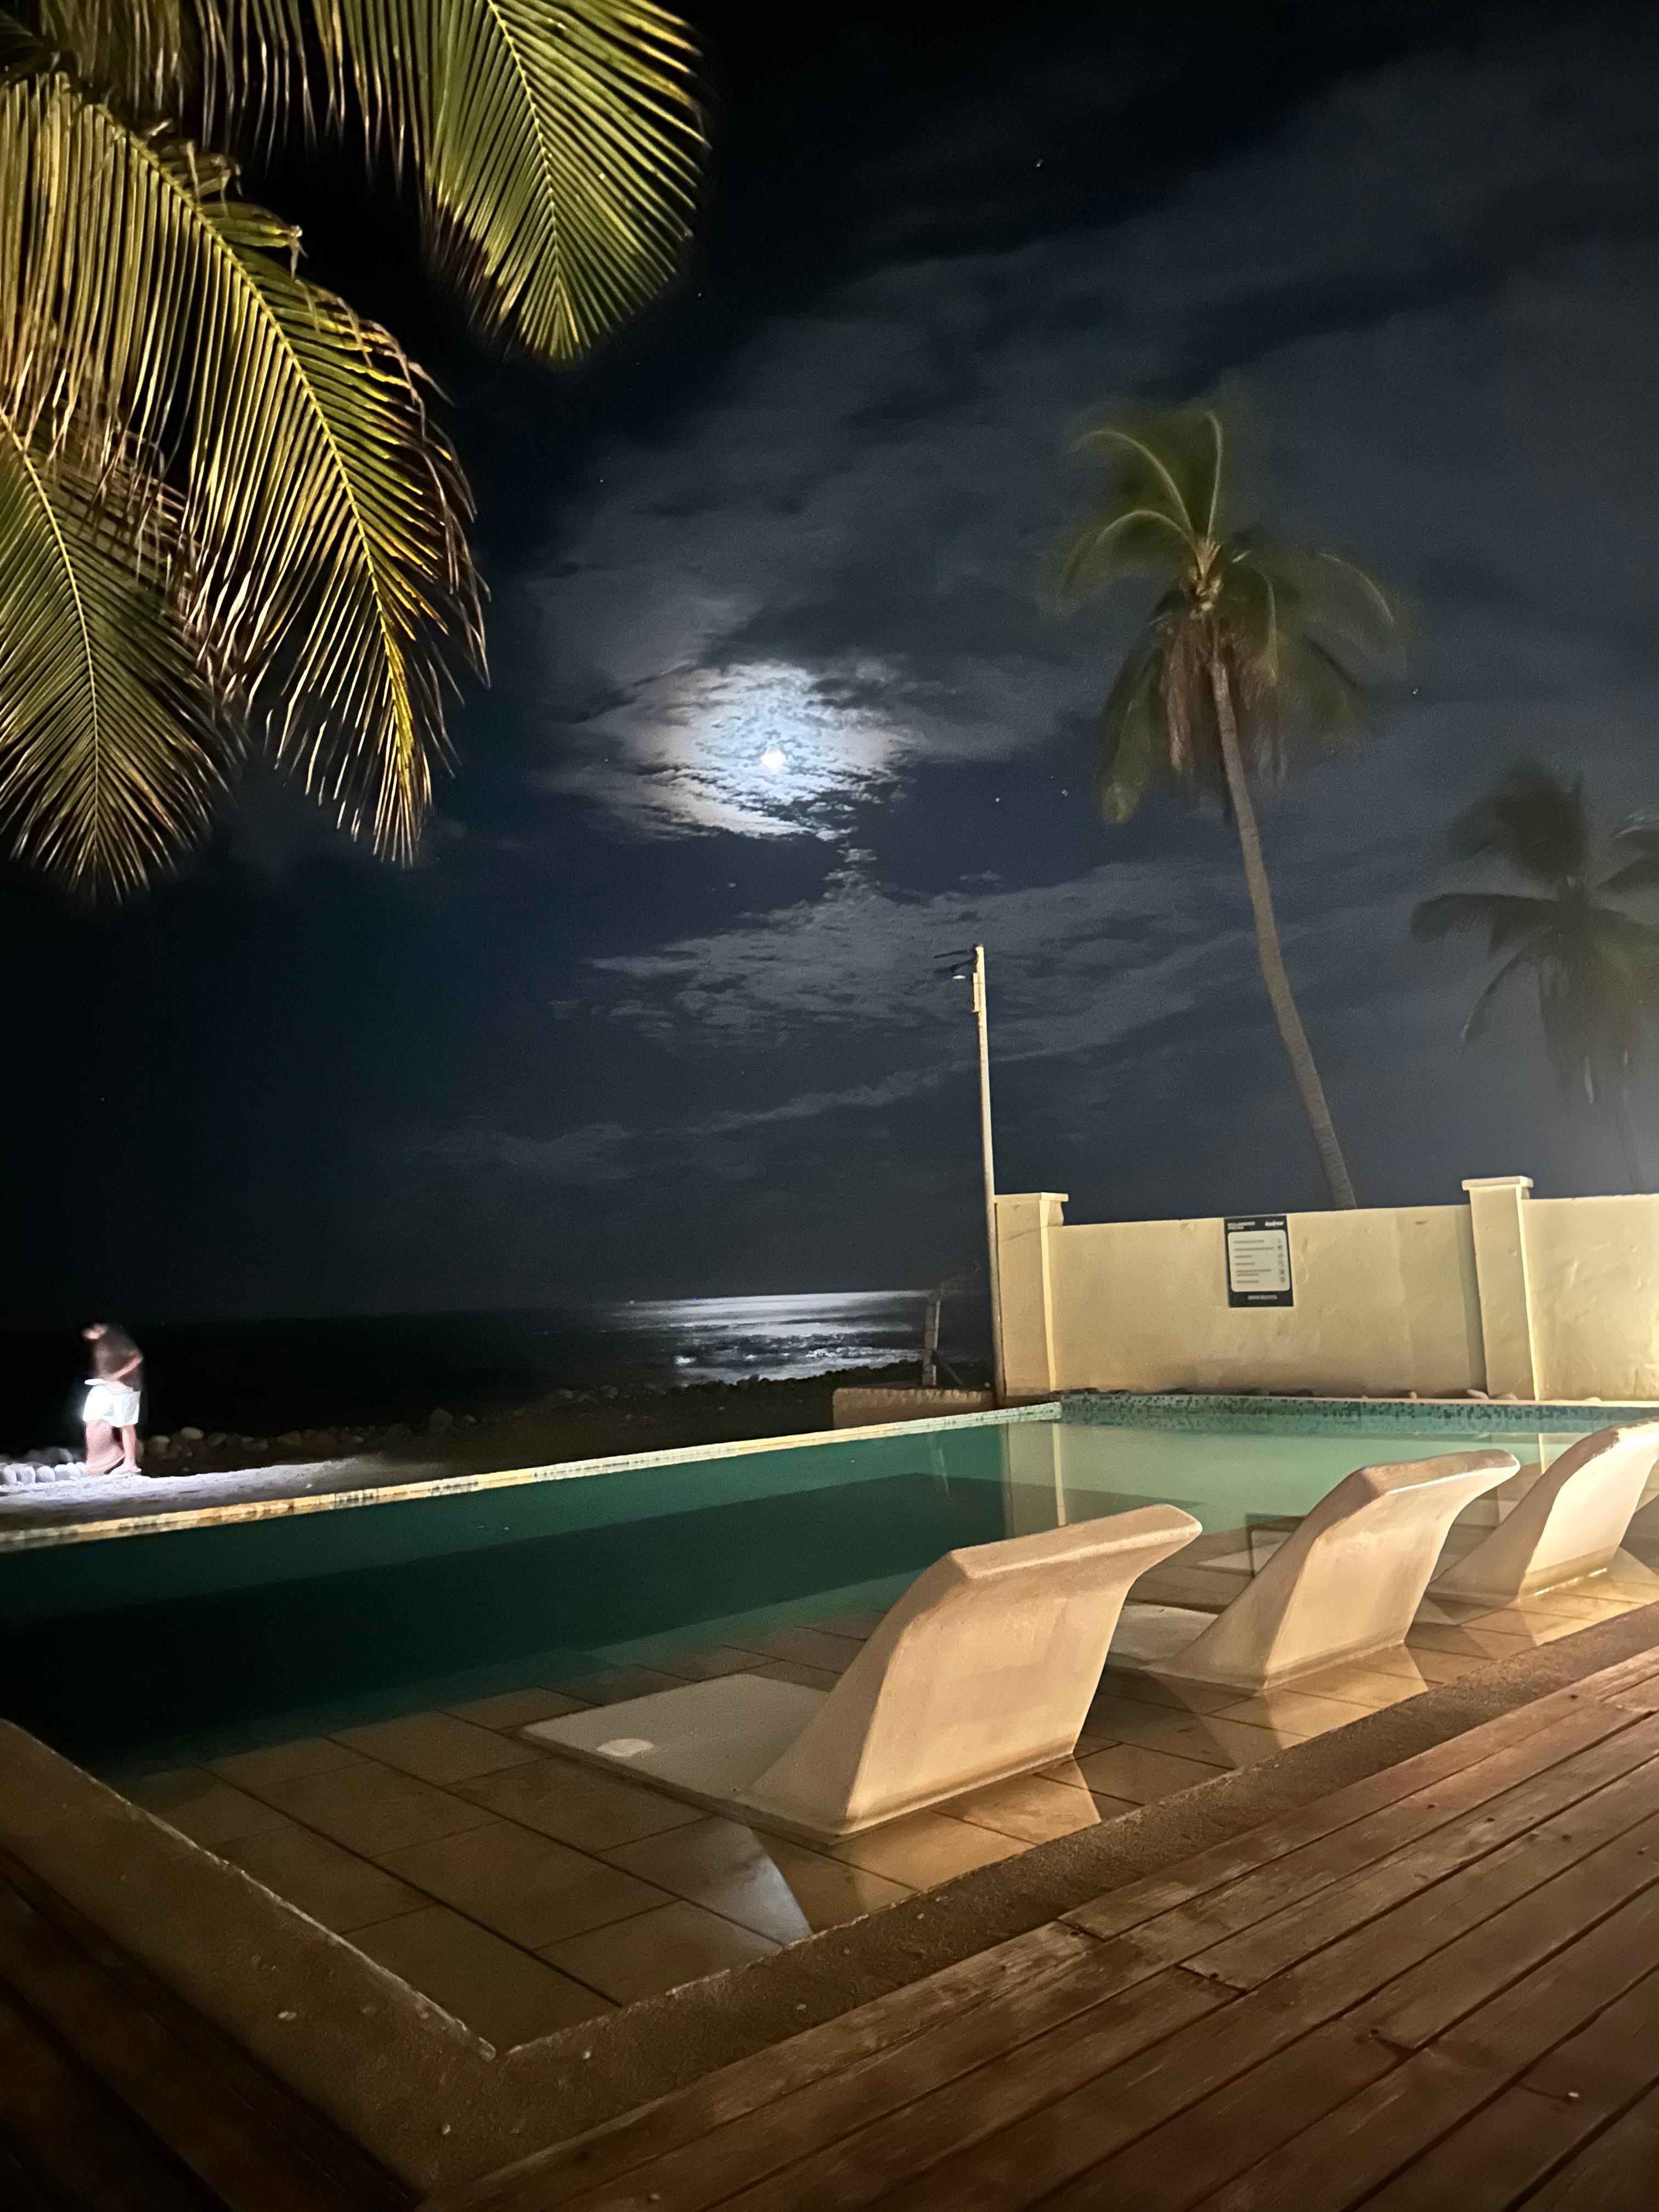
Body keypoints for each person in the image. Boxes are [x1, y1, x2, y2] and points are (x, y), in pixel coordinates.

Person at [82, 1323, 144, 1476]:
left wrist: (117, 1375)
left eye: (88, 1334)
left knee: (126, 1424)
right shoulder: (101, 1341)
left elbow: (136, 1358)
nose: (88, 1338)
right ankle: (105, 1457)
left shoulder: (116, 1339)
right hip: (105, 1385)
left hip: (126, 1386)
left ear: (96, 1328)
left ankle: (130, 1463)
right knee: (92, 1416)